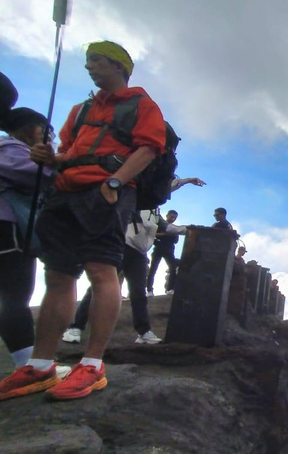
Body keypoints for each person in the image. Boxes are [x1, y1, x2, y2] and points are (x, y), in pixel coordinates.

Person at [0, 41, 166, 402]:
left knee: (101, 270)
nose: (90, 66)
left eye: (98, 60)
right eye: (88, 60)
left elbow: (149, 147)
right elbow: (67, 153)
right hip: (66, 192)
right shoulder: (80, 110)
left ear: (121, 66)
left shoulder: (142, 105)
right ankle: (40, 365)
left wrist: (115, 182)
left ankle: (92, 365)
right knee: (58, 274)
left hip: (105, 192)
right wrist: (49, 157)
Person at [0, 73, 57, 376]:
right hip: (8, 229)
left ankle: (26, 362)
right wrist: (56, 163)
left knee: (13, 295)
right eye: (45, 129)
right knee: (15, 295)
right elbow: (41, 177)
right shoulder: (10, 149)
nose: (50, 135)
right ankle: (28, 367)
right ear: (27, 129)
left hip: (11, 229)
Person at [63, 209, 188, 345]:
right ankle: (75, 327)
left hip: (139, 253)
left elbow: (168, 227)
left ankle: (143, 332)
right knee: (98, 286)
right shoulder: (136, 200)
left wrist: (189, 230)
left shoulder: (155, 213)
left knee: (138, 292)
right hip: (121, 247)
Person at [146, 209, 179, 296]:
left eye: (175, 218)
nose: (173, 219)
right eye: (172, 217)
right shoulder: (159, 226)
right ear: (167, 216)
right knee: (153, 270)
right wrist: (165, 234)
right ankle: (149, 290)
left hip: (169, 251)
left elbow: (176, 240)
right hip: (158, 249)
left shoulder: (174, 228)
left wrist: (170, 234)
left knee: (173, 269)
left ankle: (170, 289)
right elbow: (152, 234)